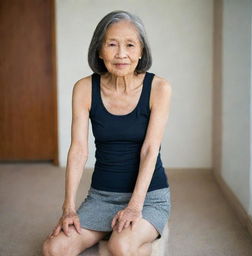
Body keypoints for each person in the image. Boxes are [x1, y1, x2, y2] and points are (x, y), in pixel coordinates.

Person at [42, 10, 172, 256]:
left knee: (120, 248)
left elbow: (150, 149)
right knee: (54, 249)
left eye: (130, 45)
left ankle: (140, 237)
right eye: (112, 44)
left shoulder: (159, 88)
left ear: (141, 50)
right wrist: (68, 207)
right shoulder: (84, 88)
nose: (121, 54)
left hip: (147, 197)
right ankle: (120, 233)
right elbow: (79, 150)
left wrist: (135, 206)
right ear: (99, 51)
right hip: (102, 196)